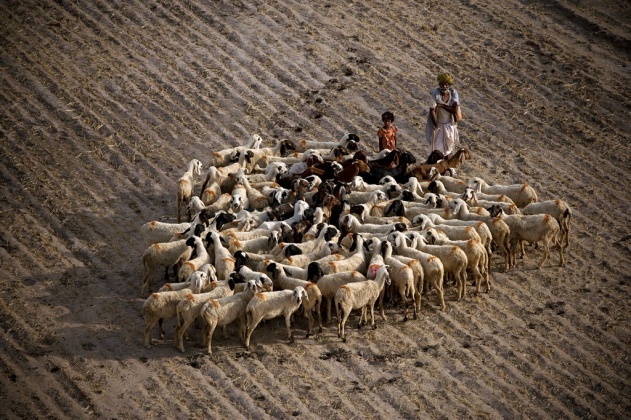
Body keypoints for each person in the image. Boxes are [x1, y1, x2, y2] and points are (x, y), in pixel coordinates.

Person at [425, 73, 460, 158]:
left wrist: (442, 105)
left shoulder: (453, 94)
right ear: (439, 85)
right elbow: (432, 110)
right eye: (442, 84)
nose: (444, 86)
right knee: (437, 149)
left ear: (449, 85)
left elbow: (454, 110)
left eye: (446, 84)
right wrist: (436, 125)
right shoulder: (435, 93)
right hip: (439, 125)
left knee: (449, 149)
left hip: (449, 125)